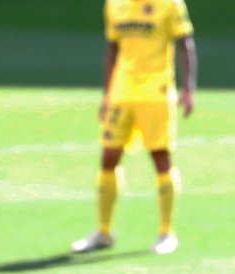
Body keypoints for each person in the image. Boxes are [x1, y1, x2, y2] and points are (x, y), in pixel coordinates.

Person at [71, 0, 197, 256]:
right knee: (108, 157)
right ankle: (104, 232)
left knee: (161, 157)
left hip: (156, 93)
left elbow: (185, 44)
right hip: (122, 93)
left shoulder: (170, 4)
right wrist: (107, 95)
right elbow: (112, 50)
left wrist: (188, 88)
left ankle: (166, 232)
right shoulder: (114, 4)